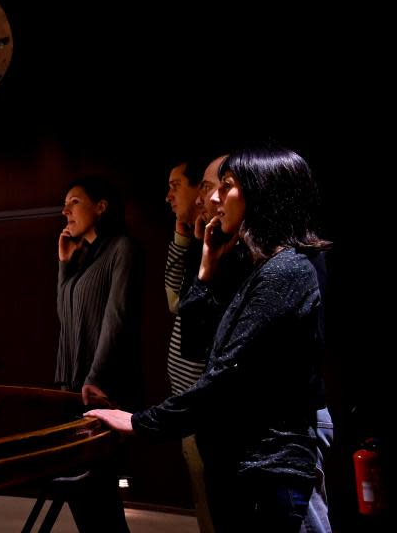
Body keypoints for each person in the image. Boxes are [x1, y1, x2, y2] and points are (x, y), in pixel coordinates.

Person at [88, 147, 331, 532]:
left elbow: (225, 376)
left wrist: (141, 422)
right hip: (242, 465)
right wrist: (206, 269)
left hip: (268, 469)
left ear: (262, 192)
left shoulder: (287, 270)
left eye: (227, 186)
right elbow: (197, 342)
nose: (212, 198)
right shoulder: (258, 266)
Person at [55, 175, 138, 533]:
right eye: (65, 203)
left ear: (100, 207)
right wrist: (64, 264)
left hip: (98, 386)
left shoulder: (121, 247)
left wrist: (95, 377)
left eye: (74, 201)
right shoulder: (81, 256)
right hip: (71, 386)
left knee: (98, 486)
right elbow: (63, 316)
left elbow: (116, 317)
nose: (65, 210)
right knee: (78, 485)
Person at [163, 156, 213, 533]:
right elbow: (173, 300)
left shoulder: (214, 242)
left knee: (215, 504)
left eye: (176, 185)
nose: (168, 196)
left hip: (206, 402)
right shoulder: (194, 236)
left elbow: (180, 303)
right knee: (204, 501)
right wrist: (182, 238)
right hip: (188, 399)